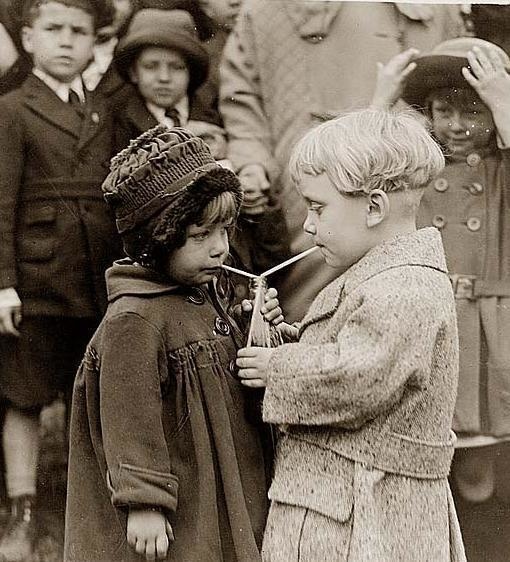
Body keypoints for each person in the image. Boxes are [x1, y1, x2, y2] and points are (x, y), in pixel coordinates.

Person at [236, 108, 466, 561]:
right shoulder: (373, 274)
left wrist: (276, 368)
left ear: (375, 207)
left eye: (319, 208)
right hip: (346, 501)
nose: (308, 224)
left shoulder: (405, 287)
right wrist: (283, 338)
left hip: (368, 514)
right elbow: (347, 349)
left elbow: (360, 377)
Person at [64, 126, 281, 562]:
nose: (221, 249)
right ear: (156, 241)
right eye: (201, 237)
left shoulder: (210, 292)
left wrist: (255, 326)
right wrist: (144, 500)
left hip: (222, 472)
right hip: (178, 487)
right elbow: (128, 417)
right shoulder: (135, 319)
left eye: (226, 230)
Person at [220, 0, 466, 323]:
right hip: (312, 177)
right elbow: (242, 100)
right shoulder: (266, 10)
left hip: (420, 182)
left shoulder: (438, 9)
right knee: (313, 290)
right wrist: (252, 162)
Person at [0, 0, 123, 559]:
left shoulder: (103, 111)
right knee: (23, 395)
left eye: (80, 32)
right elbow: (1, 204)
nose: (67, 41)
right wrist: (4, 283)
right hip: (36, 273)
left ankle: (84, 508)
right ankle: (22, 511)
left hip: (93, 274)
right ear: (28, 39)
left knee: (88, 392)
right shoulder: (12, 109)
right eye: (54, 30)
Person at [375, 35, 510, 512]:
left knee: (479, 454)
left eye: (472, 111)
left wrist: (503, 99)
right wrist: (382, 100)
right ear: (427, 115)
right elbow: (362, 168)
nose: (456, 126)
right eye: (443, 111)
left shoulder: (499, 171)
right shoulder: (414, 169)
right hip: (430, 313)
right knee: (429, 442)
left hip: (488, 320)